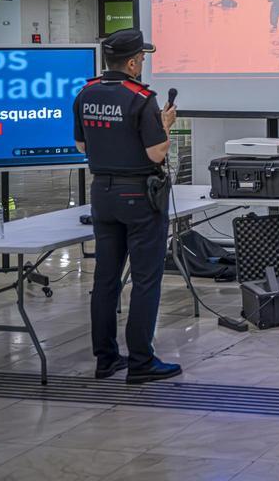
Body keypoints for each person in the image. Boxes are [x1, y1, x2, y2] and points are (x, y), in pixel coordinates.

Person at [72, 29, 180, 385]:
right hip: (139, 197)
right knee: (146, 280)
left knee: (105, 279)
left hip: (102, 194)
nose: (143, 63)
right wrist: (163, 126)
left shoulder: (85, 93)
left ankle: (105, 359)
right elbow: (156, 153)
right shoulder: (141, 98)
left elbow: (81, 147)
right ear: (132, 62)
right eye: (143, 59)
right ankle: (141, 361)